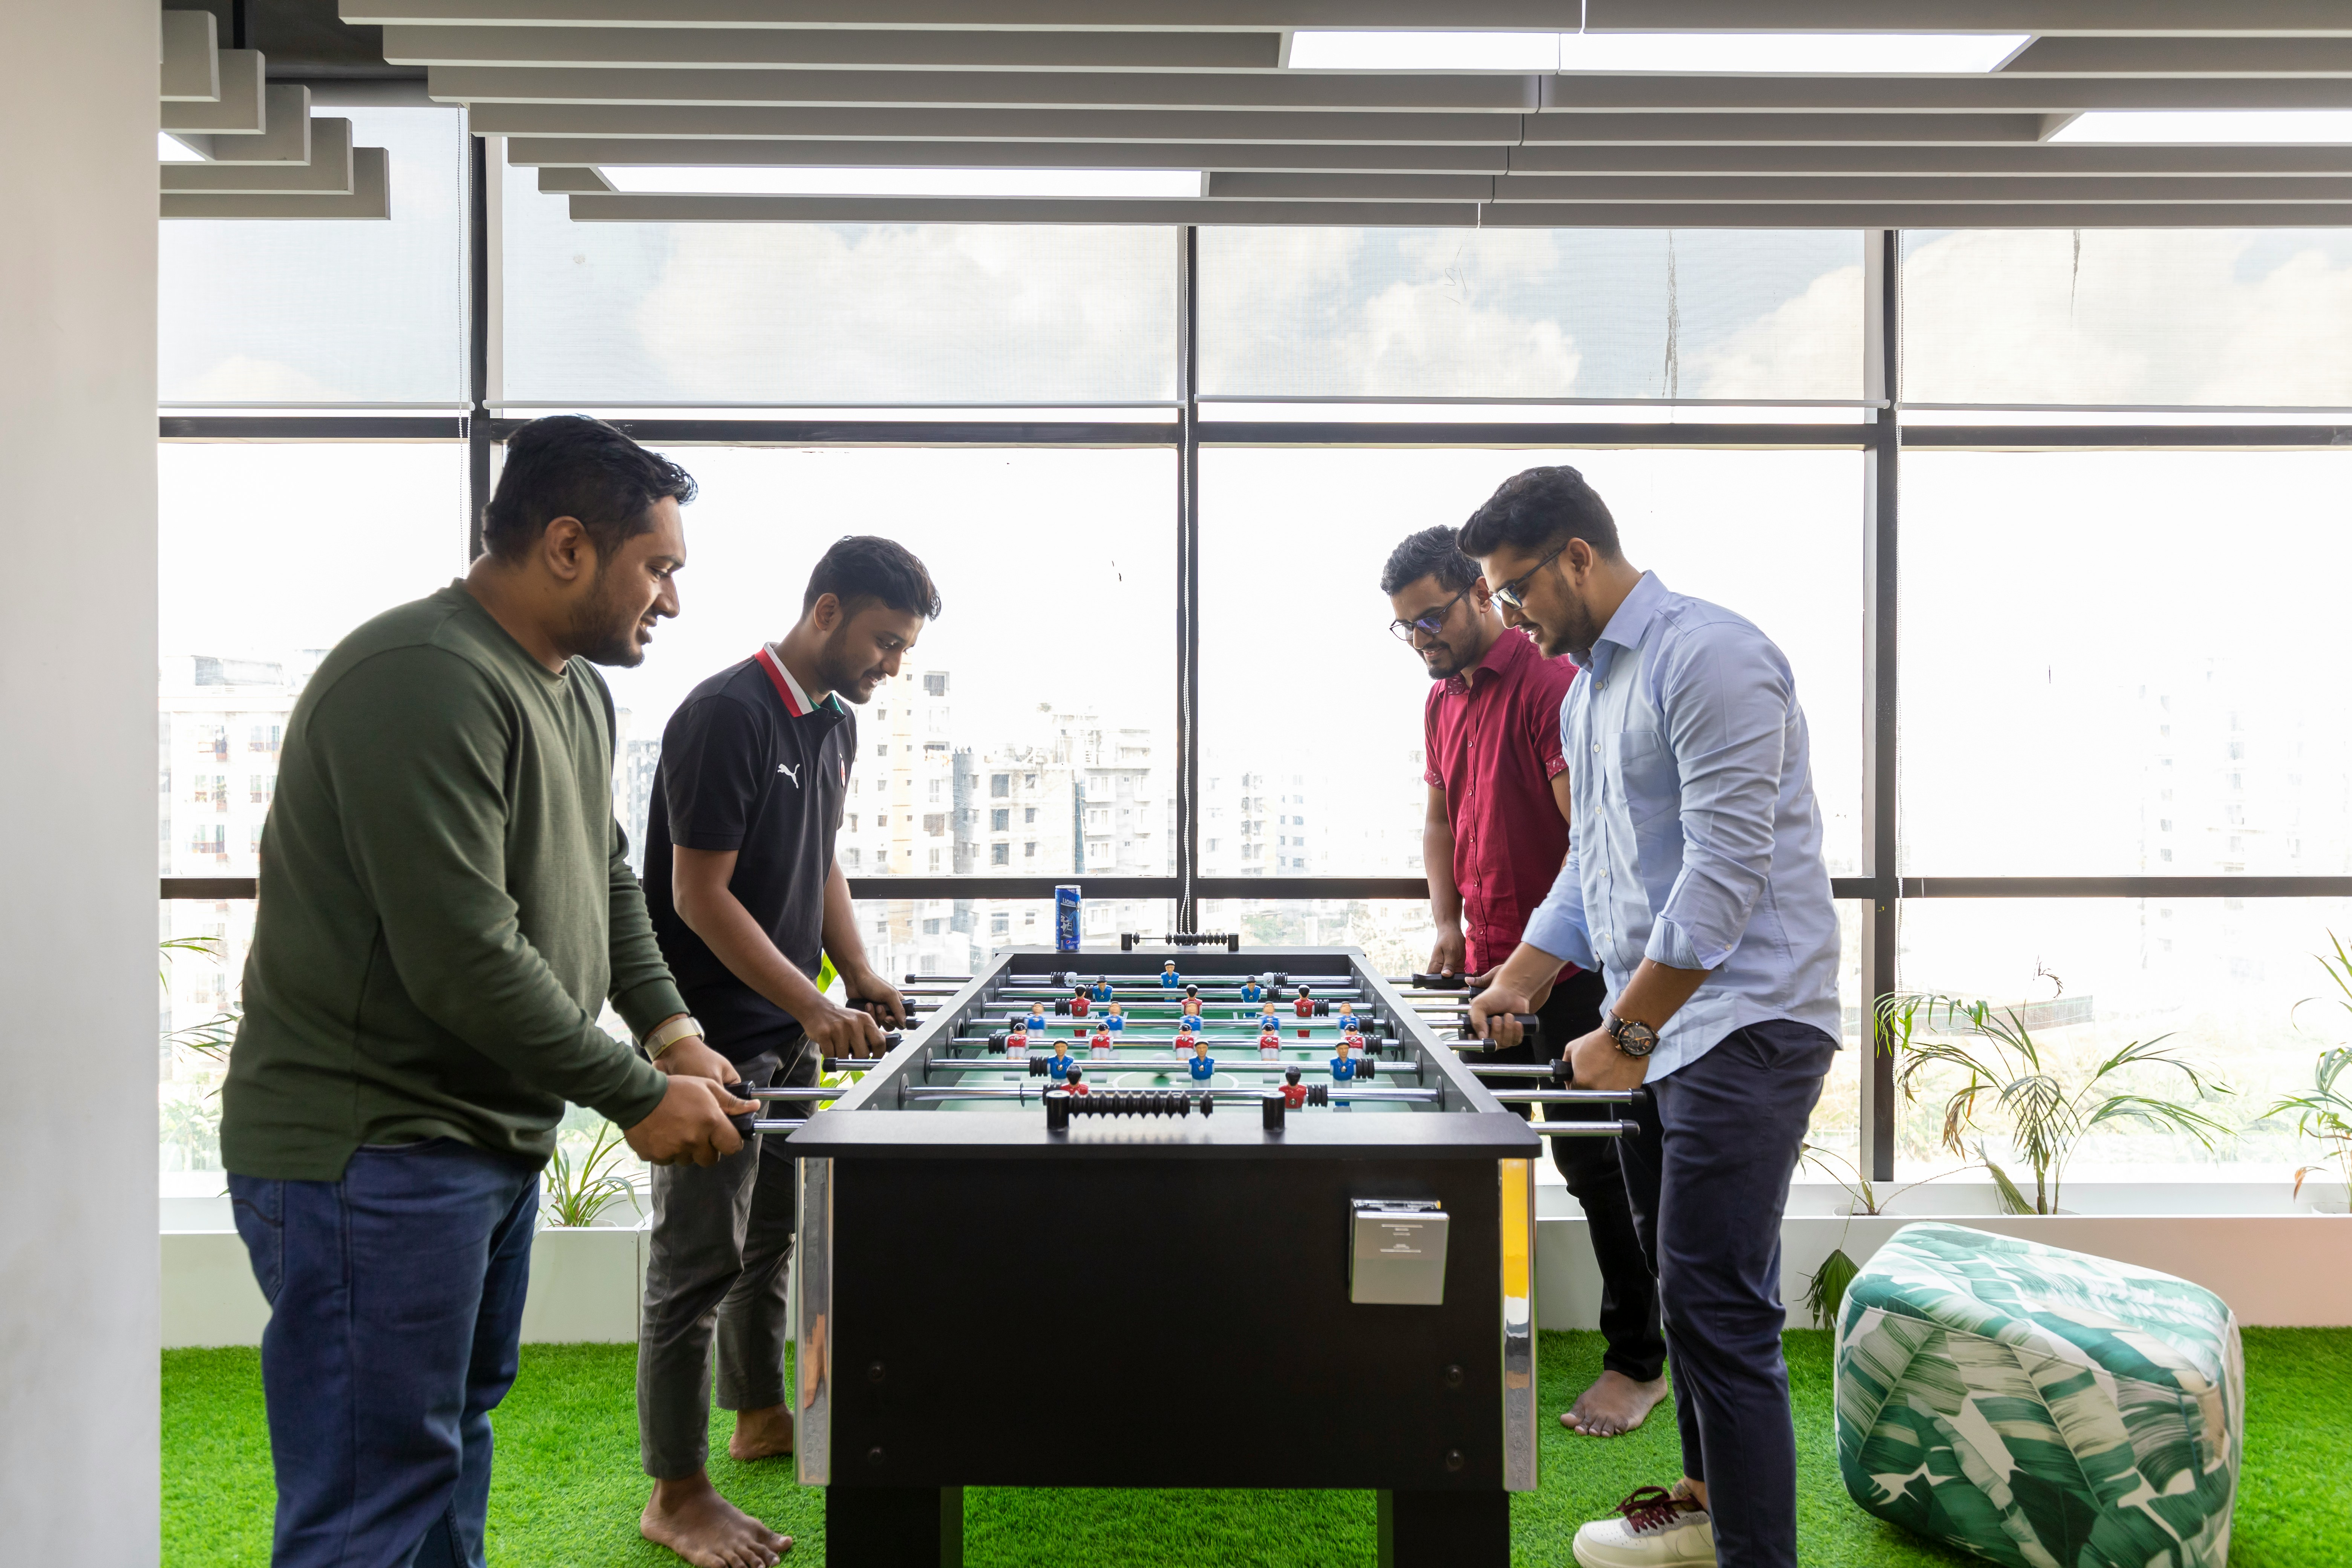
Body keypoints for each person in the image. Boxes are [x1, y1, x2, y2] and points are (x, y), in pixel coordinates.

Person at [219, 415, 754, 1568]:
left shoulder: (570, 691)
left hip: (475, 1143)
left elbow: (606, 879)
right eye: (657, 568)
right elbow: (461, 952)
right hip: (372, 1149)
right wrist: (632, 1095)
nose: (670, 601)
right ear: (568, 547)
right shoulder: (422, 679)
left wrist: (671, 1030)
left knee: (443, 1450)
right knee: (374, 1496)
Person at [1460, 467, 1842, 1568]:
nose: (1512, 613)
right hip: (1671, 1028)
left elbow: (1724, 874)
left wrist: (1625, 1032)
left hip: (1748, 1020)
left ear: (1578, 555)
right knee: (1689, 1292)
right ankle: (1701, 1508)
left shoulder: (1709, 655)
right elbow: (1598, 869)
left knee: (1718, 1305)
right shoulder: (1586, 693)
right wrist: (1521, 981)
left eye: (1517, 586)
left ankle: (1751, 1556)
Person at [635, 535, 939, 1568]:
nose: (891, 667)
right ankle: (675, 1494)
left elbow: (821, 866)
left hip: (783, 1031)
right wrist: (814, 1009)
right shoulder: (727, 715)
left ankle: (760, 1412)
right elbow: (697, 896)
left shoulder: (832, 726)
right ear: (826, 610)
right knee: (693, 1266)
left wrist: (858, 973)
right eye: (884, 643)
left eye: (902, 651)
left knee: (770, 1242)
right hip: (705, 1042)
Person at [1382, 522, 1669, 1441]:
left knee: (1597, 1164)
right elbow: (1440, 821)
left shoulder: (1552, 685)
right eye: (1405, 627)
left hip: (1573, 971)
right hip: (1487, 970)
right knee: (1466, 1160)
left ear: (1479, 593)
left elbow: (1590, 849)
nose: (1422, 637)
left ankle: (1639, 1360)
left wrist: (1538, 971)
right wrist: (1447, 924)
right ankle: (1451, 1340)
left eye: (1431, 616)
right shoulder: (1440, 701)